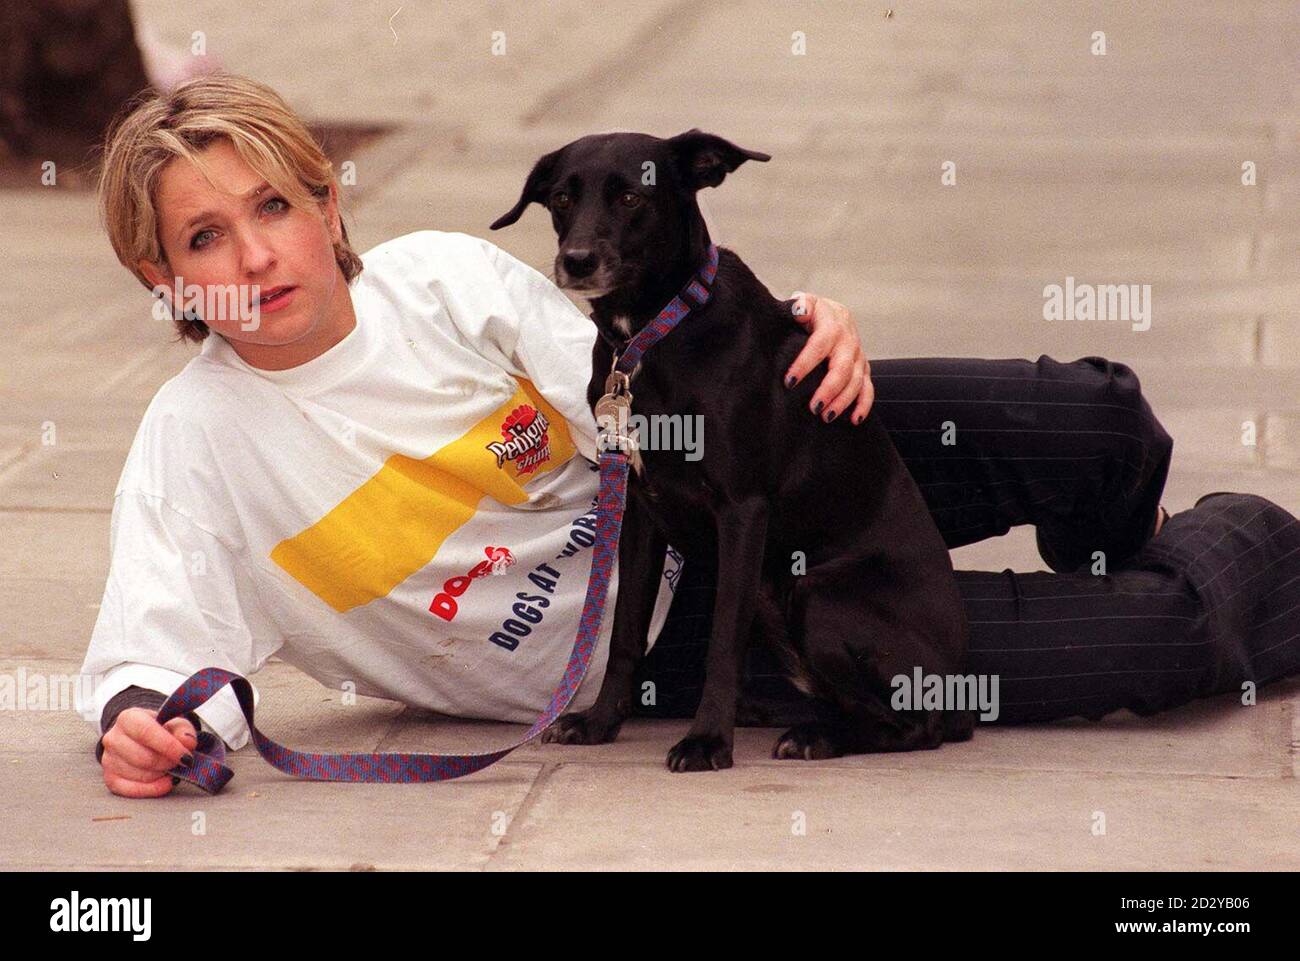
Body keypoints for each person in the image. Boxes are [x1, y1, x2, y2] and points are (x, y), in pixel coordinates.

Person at [81, 75, 1300, 798]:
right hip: (689, 633)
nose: (254, 256)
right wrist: (149, 723)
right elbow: (158, 652)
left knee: (1087, 416)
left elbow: (657, 371)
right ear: (163, 274)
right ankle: (1234, 556)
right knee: (1164, 635)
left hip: (760, 450)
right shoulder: (197, 446)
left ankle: (1091, 559)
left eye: (274, 207)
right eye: (203, 240)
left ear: (325, 200)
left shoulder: (441, 280)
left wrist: (800, 321)